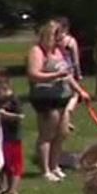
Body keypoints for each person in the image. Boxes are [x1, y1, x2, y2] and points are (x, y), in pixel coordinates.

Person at [26, 20, 76, 180]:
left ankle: (55, 166)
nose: (62, 39)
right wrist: (55, 76)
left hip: (62, 97)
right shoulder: (37, 51)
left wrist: (79, 90)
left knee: (61, 133)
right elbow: (33, 74)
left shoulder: (59, 51)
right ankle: (45, 169)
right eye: (58, 36)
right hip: (45, 98)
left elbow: (68, 74)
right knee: (47, 134)